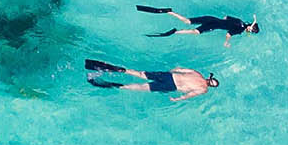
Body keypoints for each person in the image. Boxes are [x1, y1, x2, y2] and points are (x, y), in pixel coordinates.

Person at [85, 59, 218, 102]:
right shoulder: (203, 89)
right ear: (210, 86)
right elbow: (190, 95)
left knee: (139, 73)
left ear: (208, 78)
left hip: (168, 76)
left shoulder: (197, 73)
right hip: (171, 86)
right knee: (138, 87)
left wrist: (168, 72)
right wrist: (177, 99)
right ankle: (106, 83)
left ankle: (111, 69)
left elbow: (178, 68)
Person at [136, 5, 258, 48]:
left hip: (211, 18)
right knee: (195, 32)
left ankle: (169, 11)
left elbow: (226, 17)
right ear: (250, 29)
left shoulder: (240, 21)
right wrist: (226, 42)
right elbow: (228, 34)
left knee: (187, 21)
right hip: (213, 26)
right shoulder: (240, 29)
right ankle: (175, 32)